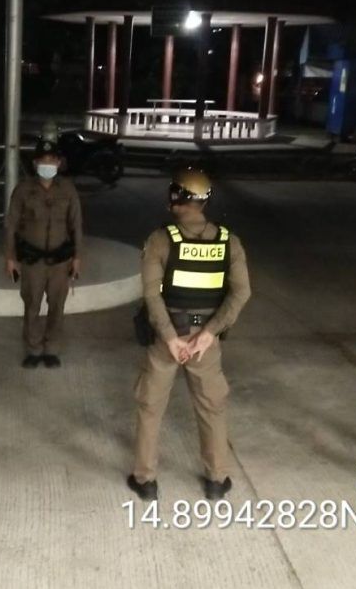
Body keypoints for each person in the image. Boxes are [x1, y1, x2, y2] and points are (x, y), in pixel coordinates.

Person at [127, 167, 251, 501]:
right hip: (204, 343)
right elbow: (241, 293)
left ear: (176, 197)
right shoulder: (229, 241)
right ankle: (216, 479)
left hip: (168, 339)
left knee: (151, 407)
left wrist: (170, 338)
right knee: (212, 408)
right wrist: (209, 333)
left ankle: (145, 481)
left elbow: (151, 295)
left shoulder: (160, 239)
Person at [4, 140, 84, 369]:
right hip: (33, 260)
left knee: (57, 305)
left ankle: (51, 349)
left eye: (52, 160)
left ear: (58, 163)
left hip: (60, 261)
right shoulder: (23, 190)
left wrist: (77, 257)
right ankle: (33, 349)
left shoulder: (68, 190)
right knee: (32, 305)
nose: (47, 164)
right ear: (35, 163)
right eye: (43, 160)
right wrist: (10, 258)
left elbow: (76, 225)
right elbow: (11, 225)